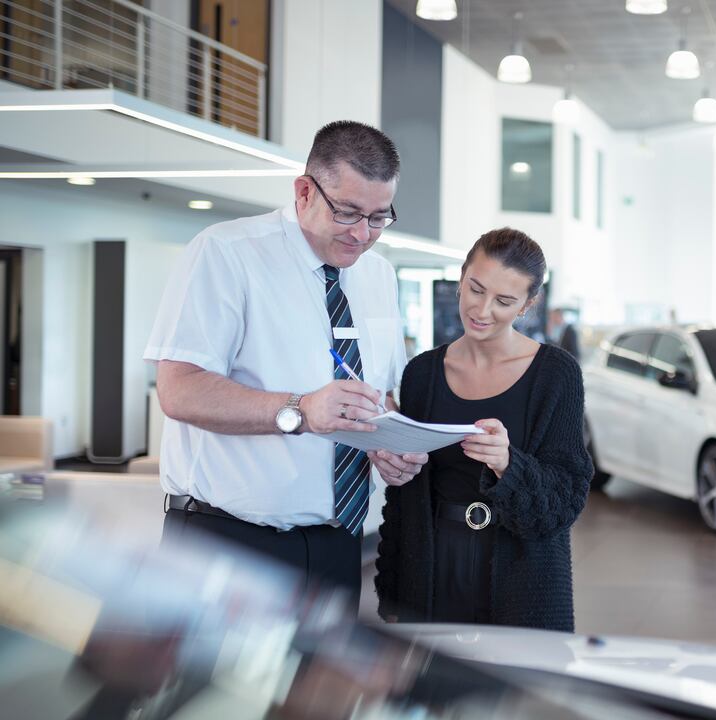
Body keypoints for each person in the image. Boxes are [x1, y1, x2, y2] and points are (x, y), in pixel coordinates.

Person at [146, 121, 429, 601]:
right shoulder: (226, 253)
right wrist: (300, 410)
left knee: (322, 679)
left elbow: (380, 393)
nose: (362, 234)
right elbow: (179, 389)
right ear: (303, 192)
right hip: (229, 542)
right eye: (347, 212)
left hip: (338, 543)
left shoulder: (378, 276)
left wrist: (392, 444)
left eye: (379, 217)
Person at [374, 228, 592, 630]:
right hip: (432, 564)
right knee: (430, 685)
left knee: (513, 687)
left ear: (528, 305)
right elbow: (405, 499)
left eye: (504, 301)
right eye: (476, 289)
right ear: (460, 279)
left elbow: (566, 498)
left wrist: (509, 465)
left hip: (521, 573)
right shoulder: (422, 372)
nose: (483, 310)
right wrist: (393, 591)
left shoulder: (555, 375)